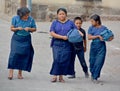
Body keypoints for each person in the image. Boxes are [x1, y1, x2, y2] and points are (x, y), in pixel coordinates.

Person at [8, 7, 36, 80]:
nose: (27, 17)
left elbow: (34, 29)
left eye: (27, 15)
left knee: (23, 55)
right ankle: (11, 72)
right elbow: (11, 28)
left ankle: (20, 73)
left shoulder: (31, 19)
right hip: (17, 38)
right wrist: (17, 28)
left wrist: (29, 29)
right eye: (25, 15)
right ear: (20, 15)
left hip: (26, 39)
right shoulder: (15, 18)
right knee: (14, 54)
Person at [49, 8, 76, 83]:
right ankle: (54, 75)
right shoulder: (55, 23)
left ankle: (61, 76)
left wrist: (79, 35)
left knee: (64, 60)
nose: (61, 15)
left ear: (66, 15)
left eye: (63, 14)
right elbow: (52, 33)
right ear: (57, 15)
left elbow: (75, 31)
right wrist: (62, 37)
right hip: (57, 43)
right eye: (60, 14)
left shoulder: (70, 23)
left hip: (67, 44)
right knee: (57, 59)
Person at [88, 14, 113, 83]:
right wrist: (98, 36)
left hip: (101, 47)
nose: (91, 23)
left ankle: (95, 77)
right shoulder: (91, 28)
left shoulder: (104, 28)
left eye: (92, 21)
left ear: (97, 21)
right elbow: (89, 37)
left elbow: (110, 37)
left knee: (99, 62)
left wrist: (108, 38)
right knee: (92, 61)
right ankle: (93, 74)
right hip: (93, 46)